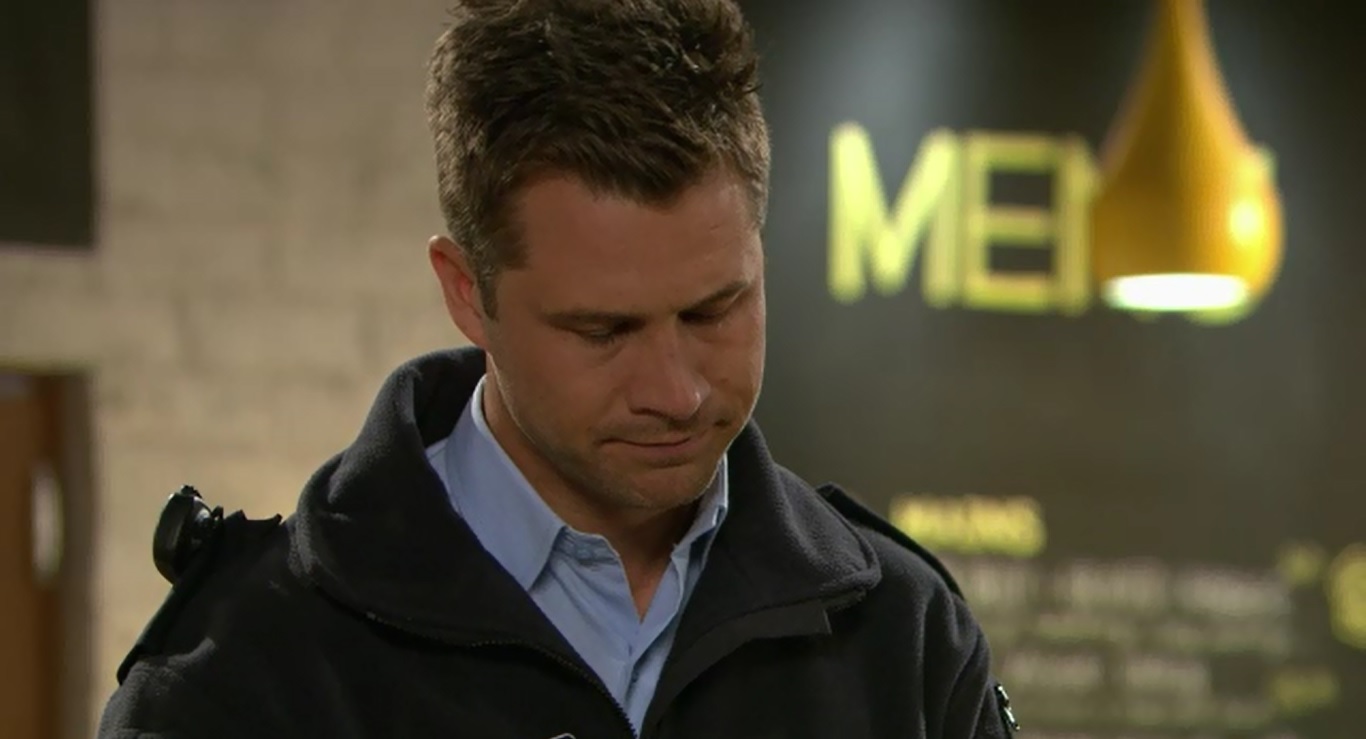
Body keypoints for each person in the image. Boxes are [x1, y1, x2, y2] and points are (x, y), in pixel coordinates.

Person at [100, 1, 1019, 736]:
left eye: (713, 310)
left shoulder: (906, 642)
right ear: (467, 291)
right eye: (604, 330)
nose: (676, 391)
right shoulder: (244, 678)